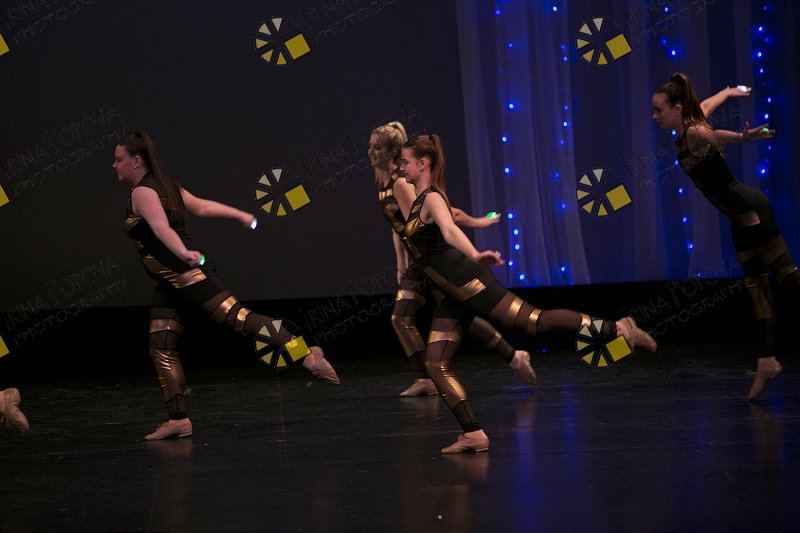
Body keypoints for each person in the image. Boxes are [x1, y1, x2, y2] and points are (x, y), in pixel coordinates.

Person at [399, 134, 657, 453]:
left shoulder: (432, 198)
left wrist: (475, 254)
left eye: (406, 162)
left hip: (470, 282)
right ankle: (474, 434)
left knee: (535, 321)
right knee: (436, 364)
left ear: (423, 163)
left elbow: (451, 230)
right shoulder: (419, 200)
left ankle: (616, 328)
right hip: (453, 295)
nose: (402, 167)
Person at [115, 131, 339, 441]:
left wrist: (183, 252)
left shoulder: (143, 192)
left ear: (136, 160)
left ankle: (307, 355)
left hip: (187, 275)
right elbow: (202, 207)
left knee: (240, 318)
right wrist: (241, 215)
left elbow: (161, 228)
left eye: (119, 159)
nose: (115, 165)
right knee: (161, 346)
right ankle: (178, 420)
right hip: (170, 283)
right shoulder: (165, 186)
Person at [369, 122, 536, 397]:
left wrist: (479, 222)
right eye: (371, 146)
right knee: (438, 317)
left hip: (430, 260)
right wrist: (400, 264)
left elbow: (439, 215)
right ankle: (513, 358)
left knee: (415, 317)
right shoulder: (386, 186)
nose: (370, 152)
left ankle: (433, 376)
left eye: (376, 147)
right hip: (418, 262)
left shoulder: (401, 182)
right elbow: (397, 228)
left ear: (391, 151)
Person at [652, 72, 791, 401]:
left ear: (676, 109)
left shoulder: (694, 132)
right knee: (757, 289)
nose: (654, 116)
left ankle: (767, 360)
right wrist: (729, 91)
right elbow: (711, 104)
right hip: (738, 218)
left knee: (787, 277)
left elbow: (714, 137)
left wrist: (744, 138)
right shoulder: (690, 121)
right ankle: (766, 361)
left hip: (752, 210)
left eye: (658, 110)